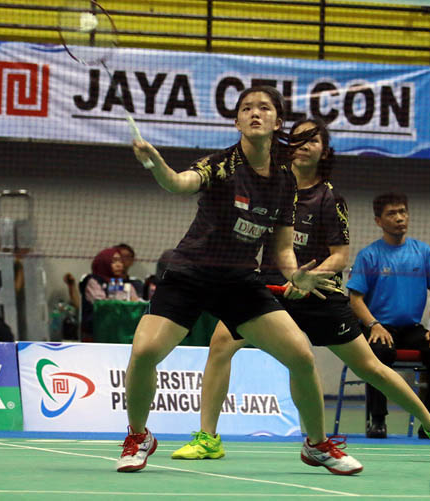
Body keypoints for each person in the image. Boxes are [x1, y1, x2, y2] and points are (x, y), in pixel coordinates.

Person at [170, 119, 430, 464]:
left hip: (319, 294)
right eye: (298, 139)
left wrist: (308, 278)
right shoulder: (269, 187)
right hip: (269, 291)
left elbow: (340, 255)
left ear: (324, 151)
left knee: (370, 366)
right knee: (221, 343)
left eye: (313, 140)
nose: (304, 145)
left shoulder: (329, 198)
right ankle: (208, 438)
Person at [116, 86, 362, 475]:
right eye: (246, 108)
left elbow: (282, 249)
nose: (254, 113)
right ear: (237, 121)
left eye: (264, 108)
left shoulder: (284, 181)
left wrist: (295, 274)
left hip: (238, 280)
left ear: (278, 122)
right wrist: (157, 165)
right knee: (145, 351)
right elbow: (179, 183)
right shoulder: (221, 165)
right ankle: (138, 436)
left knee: (301, 355)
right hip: (192, 271)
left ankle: (317, 445)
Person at [347, 192, 430, 440]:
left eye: (402, 212)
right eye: (391, 214)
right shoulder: (369, 255)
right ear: (378, 221)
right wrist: (374, 324)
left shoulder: (423, 252)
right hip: (379, 328)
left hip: (411, 329)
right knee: (378, 352)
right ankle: (377, 419)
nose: (399, 218)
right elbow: (355, 299)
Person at [78, 246, 142, 342]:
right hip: (98, 333)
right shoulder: (94, 281)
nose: (119, 265)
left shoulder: (126, 284)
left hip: (122, 333)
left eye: (120, 261)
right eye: (114, 261)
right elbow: (102, 305)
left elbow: (136, 302)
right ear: (104, 263)